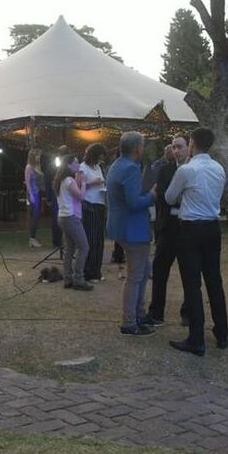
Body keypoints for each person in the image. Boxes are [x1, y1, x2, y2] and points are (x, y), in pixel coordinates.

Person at [165, 127, 228, 354]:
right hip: (212, 227)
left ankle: (196, 338)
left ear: (192, 143)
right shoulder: (219, 168)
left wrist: (185, 195)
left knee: (192, 283)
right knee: (214, 281)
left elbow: (170, 197)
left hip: (191, 228)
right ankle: (222, 333)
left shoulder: (187, 170)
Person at [107, 131, 157, 336]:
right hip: (133, 229)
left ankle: (139, 314)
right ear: (137, 148)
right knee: (136, 276)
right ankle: (129, 322)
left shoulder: (117, 165)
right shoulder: (131, 168)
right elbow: (134, 202)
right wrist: (152, 195)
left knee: (142, 272)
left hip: (122, 227)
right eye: (143, 146)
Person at [148, 135, 190, 325]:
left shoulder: (194, 170)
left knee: (189, 272)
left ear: (189, 148)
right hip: (168, 225)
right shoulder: (165, 169)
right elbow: (162, 196)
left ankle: (188, 312)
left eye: (180, 146)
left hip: (188, 226)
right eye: (174, 147)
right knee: (159, 269)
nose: (176, 150)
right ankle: (156, 312)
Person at [55, 153, 92, 291]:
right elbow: (81, 196)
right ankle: (78, 279)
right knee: (84, 247)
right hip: (70, 217)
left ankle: (68, 279)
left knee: (69, 249)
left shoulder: (61, 180)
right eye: (76, 162)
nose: (78, 164)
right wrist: (83, 184)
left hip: (62, 216)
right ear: (69, 165)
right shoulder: (69, 180)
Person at [80, 143, 108, 282]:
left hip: (100, 203)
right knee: (91, 239)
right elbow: (79, 185)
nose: (101, 159)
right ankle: (88, 271)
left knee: (99, 239)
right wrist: (93, 183)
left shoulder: (98, 167)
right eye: (100, 156)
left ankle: (97, 270)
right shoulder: (82, 167)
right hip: (89, 204)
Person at [24, 148, 43, 248]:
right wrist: (30, 195)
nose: (39, 157)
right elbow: (27, 182)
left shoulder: (38, 167)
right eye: (37, 155)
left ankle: (34, 237)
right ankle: (32, 238)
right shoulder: (29, 167)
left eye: (39, 155)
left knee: (37, 216)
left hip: (38, 193)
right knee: (34, 216)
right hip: (33, 193)